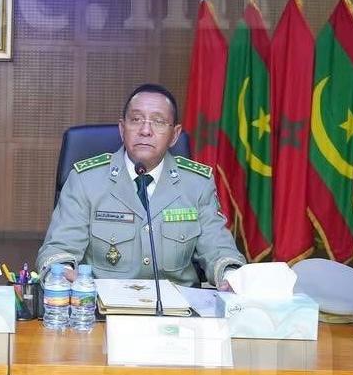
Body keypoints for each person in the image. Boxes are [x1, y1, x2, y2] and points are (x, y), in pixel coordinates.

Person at [36, 83, 246, 288]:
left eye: (158, 121)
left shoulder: (197, 184)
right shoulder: (85, 180)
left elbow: (218, 248)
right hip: (104, 306)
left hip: (178, 307)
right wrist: (62, 272)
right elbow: (60, 247)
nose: (145, 130)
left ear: (174, 135)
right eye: (136, 119)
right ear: (122, 129)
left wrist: (231, 276)